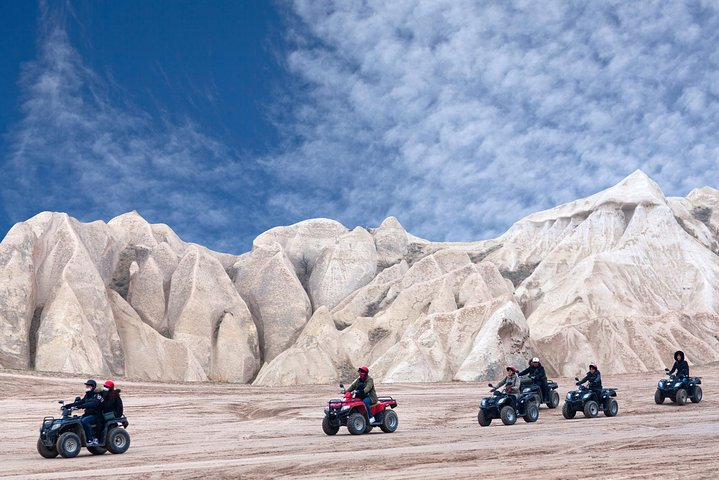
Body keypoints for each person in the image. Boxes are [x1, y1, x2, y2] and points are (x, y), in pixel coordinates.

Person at [66, 379, 104, 445]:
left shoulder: (97, 396)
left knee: (84, 421)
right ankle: (79, 437)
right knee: (77, 420)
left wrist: (80, 406)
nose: (87, 387)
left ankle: (90, 439)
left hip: (96, 415)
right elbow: (80, 402)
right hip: (88, 414)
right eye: (86, 386)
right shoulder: (87, 395)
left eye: (89, 386)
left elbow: (92, 404)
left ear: (93, 387)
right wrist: (68, 406)